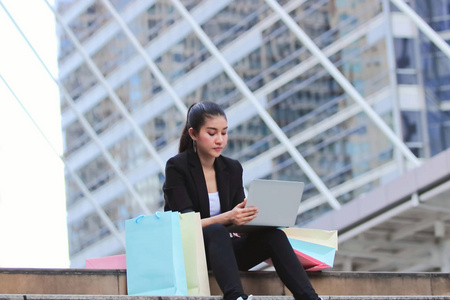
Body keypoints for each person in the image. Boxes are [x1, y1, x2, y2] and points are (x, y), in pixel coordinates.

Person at [163, 101, 322, 300]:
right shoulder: (177, 167)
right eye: (212, 133)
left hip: (223, 256)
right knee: (216, 231)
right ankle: (235, 297)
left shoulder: (232, 168)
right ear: (193, 134)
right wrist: (229, 217)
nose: (220, 140)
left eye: (224, 132)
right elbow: (184, 225)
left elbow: (238, 222)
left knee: (274, 236)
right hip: (189, 256)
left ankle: (310, 298)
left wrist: (256, 218)